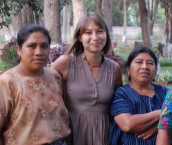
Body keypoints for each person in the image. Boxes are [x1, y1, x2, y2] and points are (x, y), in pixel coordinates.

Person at [0, 24, 70, 145]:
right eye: (32, 46)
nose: (39, 52)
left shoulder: (55, 77)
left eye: (44, 46)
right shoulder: (5, 83)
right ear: (19, 49)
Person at [52, 12, 122, 145]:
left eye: (99, 31)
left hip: (104, 135)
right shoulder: (65, 63)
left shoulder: (114, 69)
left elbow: (119, 106)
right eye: (88, 33)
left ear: (106, 35)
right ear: (79, 37)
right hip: (73, 134)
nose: (95, 37)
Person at [110, 46, 168, 145]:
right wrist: (162, 112)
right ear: (128, 69)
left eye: (150, 63)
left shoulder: (166, 93)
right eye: (139, 62)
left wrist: (158, 127)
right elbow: (128, 124)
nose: (145, 67)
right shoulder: (121, 93)